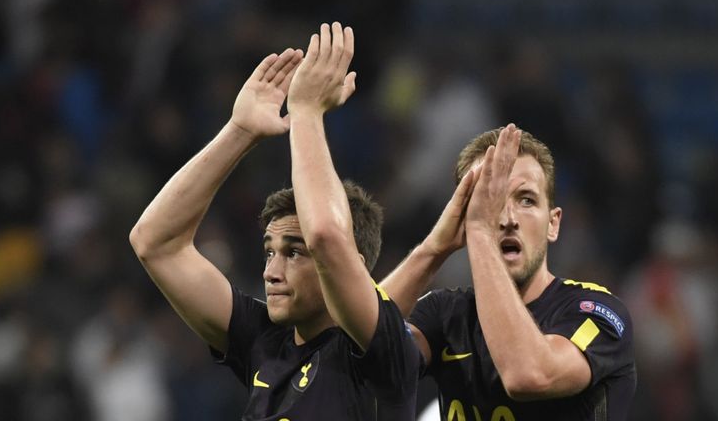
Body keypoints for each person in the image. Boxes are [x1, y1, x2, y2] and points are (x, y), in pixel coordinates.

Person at [129, 22, 419, 420]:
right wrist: (240, 131)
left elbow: (327, 236)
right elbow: (155, 242)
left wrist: (306, 112)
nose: (272, 272)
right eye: (269, 251)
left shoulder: (381, 349)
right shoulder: (265, 340)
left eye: (294, 252)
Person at [381, 125, 636, 420]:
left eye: (526, 199)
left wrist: (479, 228)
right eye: (489, 202)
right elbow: (362, 346)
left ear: (553, 223)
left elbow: (528, 375)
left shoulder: (594, 312)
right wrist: (432, 249)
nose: (507, 218)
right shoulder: (446, 313)